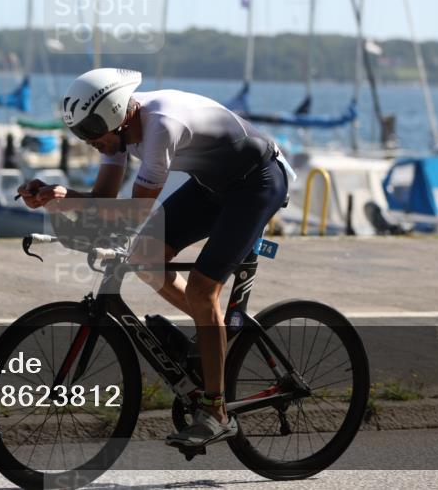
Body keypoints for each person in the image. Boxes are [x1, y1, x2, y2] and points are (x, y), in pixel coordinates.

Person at [17, 68, 294, 448]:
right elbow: (105, 199)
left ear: (115, 113)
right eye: (80, 132)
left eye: (90, 130)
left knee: (202, 289)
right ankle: (210, 336)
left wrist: (69, 199)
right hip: (212, 186)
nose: (88, 140)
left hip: (257, 183)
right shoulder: (116, 137)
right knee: (147, 257)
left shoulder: (160, 125)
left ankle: (216, 411)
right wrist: (54, 195)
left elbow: (133, 212)